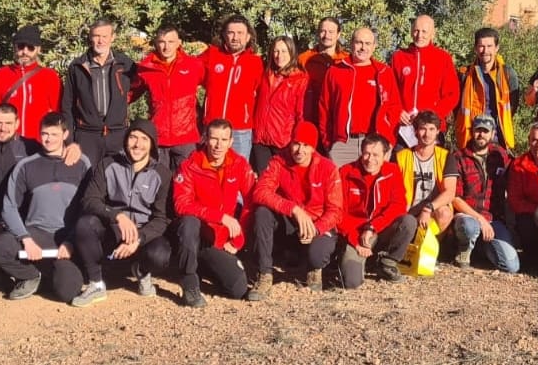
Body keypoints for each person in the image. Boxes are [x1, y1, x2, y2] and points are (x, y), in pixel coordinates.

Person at [0, 113, 93, 303]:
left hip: (68, 238)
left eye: (54, 134)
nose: (49, 139)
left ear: (65, 134)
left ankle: (53, 273)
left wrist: (70, 241)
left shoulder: (82, 163)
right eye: (44, 133)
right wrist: (26, 239)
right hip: (36, 234)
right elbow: (9, 207)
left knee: (66, 292)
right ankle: (30, 275)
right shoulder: (26, 165)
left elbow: (88, 207)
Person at [73, 121, 174, 302]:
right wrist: (116, 215)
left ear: (152, 144)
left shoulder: (162, 174)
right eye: (133, 137)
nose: (137, 144)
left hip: (144, 234)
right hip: (114, 228)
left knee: (160, 255)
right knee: (84, 224)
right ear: (126, 139)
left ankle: (142, 271)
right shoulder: (108, 164)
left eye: (144, 139)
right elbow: (89, 200)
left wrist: (139, 238)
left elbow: (161, 218)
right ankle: (96, 283)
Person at [247, 122, 344, 299]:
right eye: (296, 143)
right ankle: (265, 274)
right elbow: (260, 191)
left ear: (313, 147)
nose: (300, 150)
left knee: (317, 256)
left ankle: (314, 268)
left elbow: (336, 210)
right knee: (262, 212)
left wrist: (316, 228)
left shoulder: (328, 168)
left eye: (306, 145)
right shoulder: (279, 161)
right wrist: (294, 209)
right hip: (290, 220)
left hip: (317, 223)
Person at [172, 119, 254, 307]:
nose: (218, 145)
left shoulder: (239, 164)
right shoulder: (190, 165)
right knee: (189, 221)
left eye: (224, 140)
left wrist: (239, 238)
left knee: (238, 289)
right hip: (198, 237)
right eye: (214, 139)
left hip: (223, 239)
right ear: (205, 139)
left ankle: (203, 266)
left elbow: (252, 201)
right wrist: (221, 217)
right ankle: (189, 280)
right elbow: (181, 204)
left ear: (231, 142)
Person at [336, 135, 418, 289]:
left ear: (385, 156)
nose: (369, 159)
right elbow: (339, 212)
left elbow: (399, 205)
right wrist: (355, 240)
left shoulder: (392, 171)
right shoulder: (346, 172)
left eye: (375, 155)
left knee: (408, 222)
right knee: (351, 283)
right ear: (361, 152)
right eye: (366, 153)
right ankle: (353, 256)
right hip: (355, 233)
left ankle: (387, 261)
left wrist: (372, 227)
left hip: (380, 228)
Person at [315, 27, 400, 165]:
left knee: (372, 186)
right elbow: (324, 108)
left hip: (375, 143)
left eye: (367, 43)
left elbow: (394, 108)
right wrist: (328, 143)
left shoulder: (384, 72)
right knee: (340, 186)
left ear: (374, 46)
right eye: (359, 42)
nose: (363, 47)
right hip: (343, 145)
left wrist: (389, 141)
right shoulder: (335, 71)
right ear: (351, 44)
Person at [446, 116, 517, 273]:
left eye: (485, 131)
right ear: (472, 132)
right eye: (478, 130)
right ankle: (464, 248)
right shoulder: (458, 157)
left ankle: (481, 248)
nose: (481, 135)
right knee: (469, 227)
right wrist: (480, 219)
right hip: (467, 215)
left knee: (511, 266)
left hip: (494, 219)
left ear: (492, 134)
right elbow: (455, 198)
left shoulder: (501, 156)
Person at [61, 17, 137, 163]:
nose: (100, 41)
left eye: (104, 36)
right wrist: (70, 140)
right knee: (87, 181)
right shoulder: (77, 67)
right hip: (87, 136)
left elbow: (138, 88)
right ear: (90, 37)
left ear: (112, 37)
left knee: (117, 181)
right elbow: (67, 106)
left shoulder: (125, 64)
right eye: (96, 36)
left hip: (118, 135)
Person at [133, 25, 206, 169]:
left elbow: (213, 87)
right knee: (159, 182)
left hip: (187, 137)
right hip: (159, 137)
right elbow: (128, 94)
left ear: (179, 43)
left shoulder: (193, 65)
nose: (166, 47)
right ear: (156, 43)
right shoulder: (146, 68)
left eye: (171, 42)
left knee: (186, 182)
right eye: (162, 42)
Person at [201, 14, 263, 160]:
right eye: (231, 33)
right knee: (208, 170)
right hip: (212, 127)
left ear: (248, 37)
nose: (235, 37)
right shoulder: (211, 55)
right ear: (224, 35)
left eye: (240, 33)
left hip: (240, 130)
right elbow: (189, 75)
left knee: (238, 172)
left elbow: (262, 94)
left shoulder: (255, 63)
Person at [390, 15, 461, 135]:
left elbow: (452, 94)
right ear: (411, 32)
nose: (419, 35)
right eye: (416, 30)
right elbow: (391, 91)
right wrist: (398, 111)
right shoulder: (399, 57)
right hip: (404, 128)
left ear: (433, 34)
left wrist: (431, 115)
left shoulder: (442, 58)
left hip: (432, 128)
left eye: (424, 31)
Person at [251, 36, 310, 174]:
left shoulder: (300, 79)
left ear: (292, 52)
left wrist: (299, 141)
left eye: (284, 51)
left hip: (283, 141)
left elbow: (301, 113)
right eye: (276, 51)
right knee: (263, 179)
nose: (279, 56)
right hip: (260, 139)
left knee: (283, 181)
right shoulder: (265, 74)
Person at [0, 24, 62, 140]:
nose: (25, 52)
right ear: (14, 47)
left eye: (30, 47)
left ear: (38, 49)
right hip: (9, 141)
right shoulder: (1, 74)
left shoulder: (49, 76)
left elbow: (57, 113)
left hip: (39, 142)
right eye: (21, 46)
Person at [456, 27, 521, 148]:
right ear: (475, 48)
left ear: (497, 48)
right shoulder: (465, 74)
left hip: (499, 138)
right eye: (481, 46)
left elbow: (513, 105)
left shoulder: (507, 74)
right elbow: (457, 108)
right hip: (471, 137)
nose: (485, 50)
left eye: (490, 46)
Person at [506, 121, 538, 271]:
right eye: (534, 140)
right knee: (529, 220)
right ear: (529, 140)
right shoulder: (519, 164)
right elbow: (514, 200)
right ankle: (534, 258)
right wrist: (536, 209)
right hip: (531, 215)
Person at [395, 110, 455, 233]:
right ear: (415, 131)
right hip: (408, 211)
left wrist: (428, 209)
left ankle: (429, 247)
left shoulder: (446, 157)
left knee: (445, 213)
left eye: (432, 129)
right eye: (423, 129)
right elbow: (394, 191)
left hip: (432, 210)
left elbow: (450, 192)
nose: (427, 134)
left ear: (438, 131)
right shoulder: (401, 157)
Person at [0, 103, 36, 223]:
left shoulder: (30, 147)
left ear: (17, 123)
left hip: (20, 219)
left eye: (8, 123)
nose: (3, 128)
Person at [299, 17, 349, 117]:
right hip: (310, 117)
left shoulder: (347, 60)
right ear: (318, 33)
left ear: (338, 34)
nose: (327, 36)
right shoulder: (303, 59)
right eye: (323, 31)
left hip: (338, 117)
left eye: (331, 32)